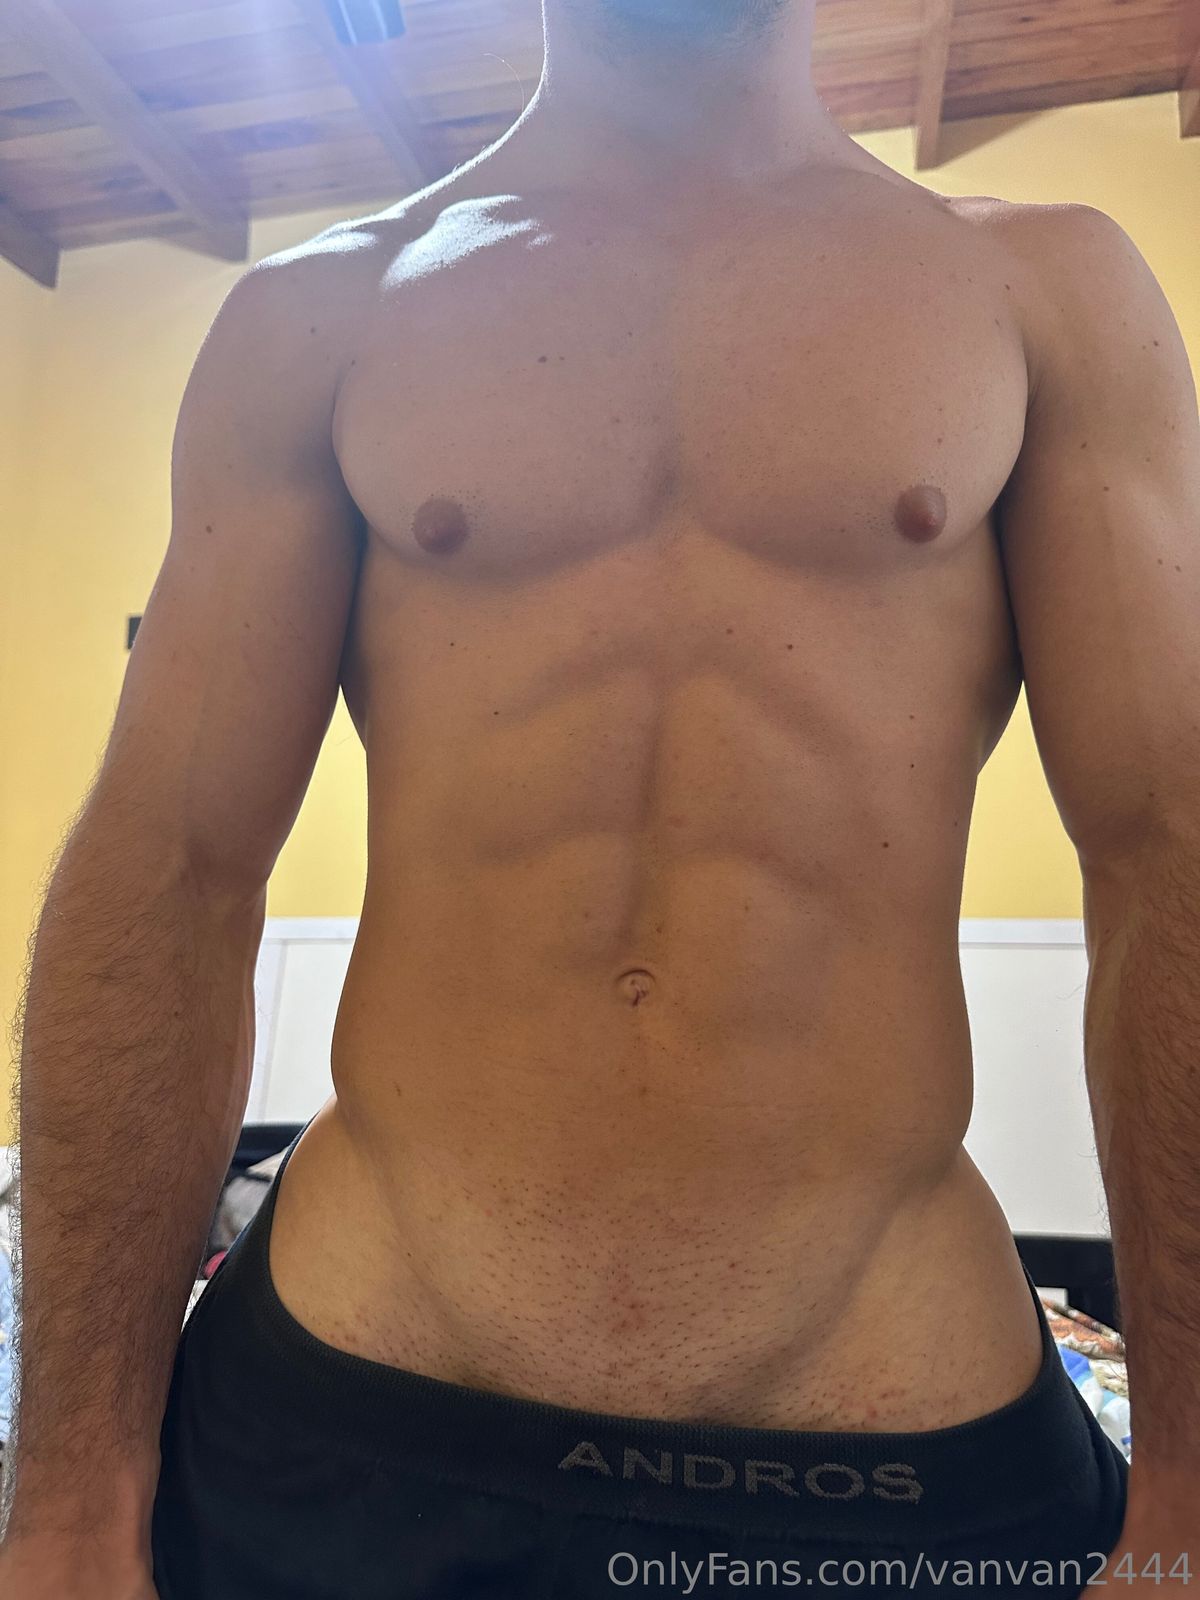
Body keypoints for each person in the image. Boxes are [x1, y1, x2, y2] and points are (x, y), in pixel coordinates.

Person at [3, 0, 1198, 1593]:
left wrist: (1188, 1495)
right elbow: (169, 874)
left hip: (902, 1444)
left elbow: (1170, 858)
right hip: (339, 1414)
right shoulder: (318, 314)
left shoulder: (1040, 292)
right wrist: (68, 1498)